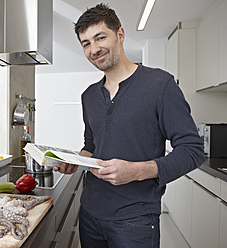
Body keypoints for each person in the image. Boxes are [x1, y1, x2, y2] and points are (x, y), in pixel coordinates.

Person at [53, 3, 205, 248]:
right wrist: (76, 160)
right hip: (90, 212)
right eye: (86, 43)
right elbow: (91, 145)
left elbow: (192, 150)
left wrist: (136, 171)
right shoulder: (88, 96)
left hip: (136, 220)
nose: (94, 49)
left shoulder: (160, 85)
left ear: (120, 35)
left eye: (100, 37)